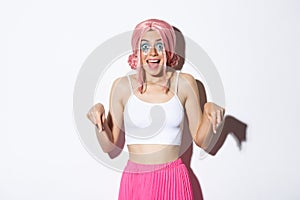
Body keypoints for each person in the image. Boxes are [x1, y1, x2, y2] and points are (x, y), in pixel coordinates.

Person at [87, 19, 224, 200]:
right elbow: (108, 146)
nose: (152, 53)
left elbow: (203, 142)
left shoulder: (184, 83)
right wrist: (100, 122)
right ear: (137, 52)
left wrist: (209, 110)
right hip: (135, 180)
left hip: (173, 178)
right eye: (145, 47)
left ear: (168, 48)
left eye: (159, 45)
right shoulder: (122, 86)